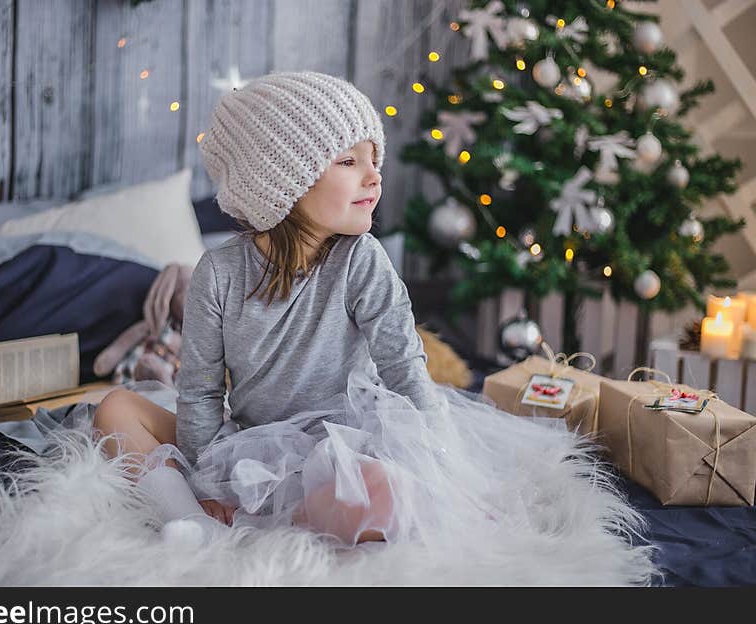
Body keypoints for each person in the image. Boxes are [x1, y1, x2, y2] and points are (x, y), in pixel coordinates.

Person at [89, 71, 631, 551]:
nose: (373, 176)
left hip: (347, 441)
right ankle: (192, 519)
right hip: (253, 440)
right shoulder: (219, 272)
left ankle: (267, 525)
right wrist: (212, 481)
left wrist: (444, 468)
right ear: (283, 181)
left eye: (374, 159)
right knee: (115, 408)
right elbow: (202, 388)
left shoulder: (360, 258)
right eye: (349, 161)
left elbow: (403, 363)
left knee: (384, 493)